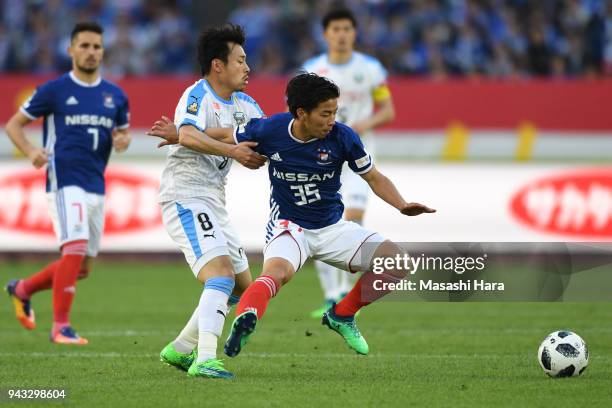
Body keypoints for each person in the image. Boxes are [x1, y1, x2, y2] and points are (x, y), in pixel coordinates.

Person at [152, 73, 434, 358]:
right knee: (275, 274)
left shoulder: (344, 137)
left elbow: (373, 177)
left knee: (397, 262)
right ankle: (246, 319)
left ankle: (342, 315)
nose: (331, 120)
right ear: (301, 113)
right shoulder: (271, 130)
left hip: (332, 228)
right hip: (289, 226)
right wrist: (181, 134)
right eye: (325, 113)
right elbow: (227, 134)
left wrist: (401, 204)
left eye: (334, 112)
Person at [149, 24, 266, 379]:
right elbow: (187, 134)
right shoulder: (196, 94)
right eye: (241, 60)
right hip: (185, 194)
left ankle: (180, 349)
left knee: (244, 288)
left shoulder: (246, 104)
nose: (248, 68)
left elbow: (263, 133)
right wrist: (227, 146)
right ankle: (205, 359)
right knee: (220, 275)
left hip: (214, 198)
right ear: (218, 65)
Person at [4, 22, 131, 345]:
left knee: (82, 267)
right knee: (73, 248)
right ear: (71, 50)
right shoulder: (54, 90)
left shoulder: (115, 96)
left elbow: (122, 133)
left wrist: (122, 140)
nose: (91, 52)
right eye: (84, 46)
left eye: (96, 47)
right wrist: (31, 150)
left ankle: (23, 289)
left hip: (95, 184)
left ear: (103, 51)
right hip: (64, 180)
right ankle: (61, 326)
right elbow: (14, 125)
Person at [301, 8, 396, 318]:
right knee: (319, 222)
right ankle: (333, 295)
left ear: (354, 33)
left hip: (357, 156)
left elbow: (388, 109)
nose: (341, 34)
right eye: (335, 29)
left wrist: (362, 124)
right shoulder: (312, 70)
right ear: (326, 34)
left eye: (346, 29)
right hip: (321, 157)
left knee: (351, 219)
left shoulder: (370, 69)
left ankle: (346, 294)